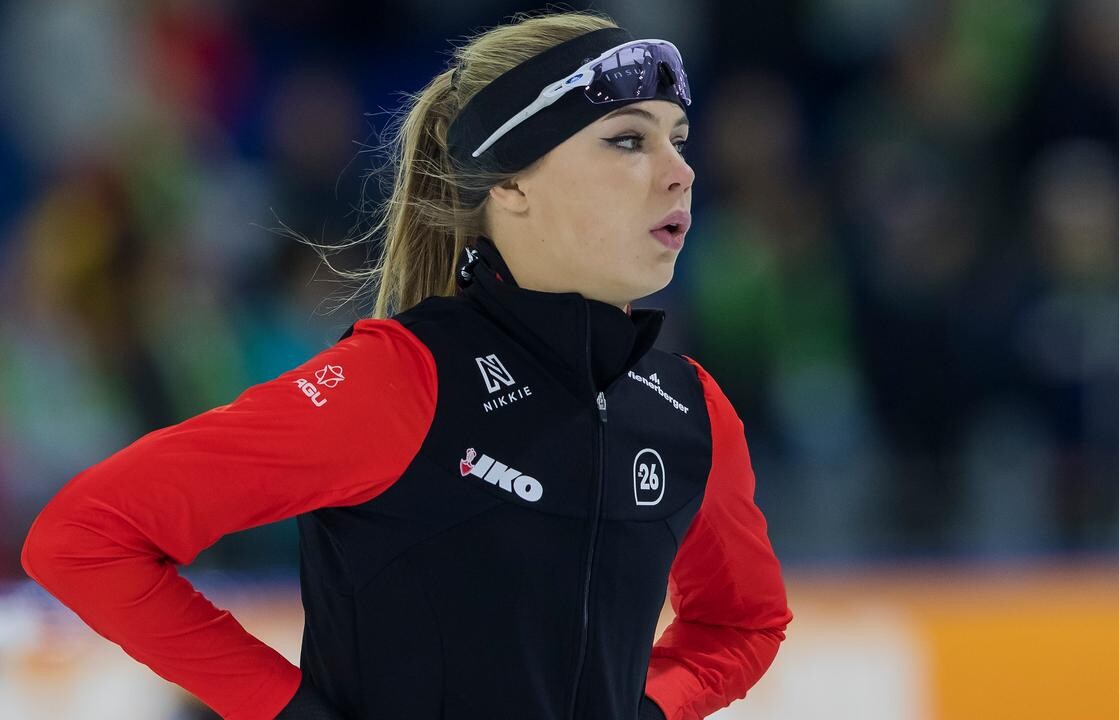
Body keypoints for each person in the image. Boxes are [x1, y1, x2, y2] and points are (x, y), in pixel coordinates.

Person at [19, 10, 792, 720]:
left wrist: (646, 709)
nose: (680, 170)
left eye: (678, 138)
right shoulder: (398, 384)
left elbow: (742, 623)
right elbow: (84, 539)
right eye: (628, 140)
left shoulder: (689, 411)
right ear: (510, 182)